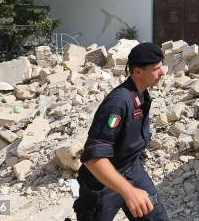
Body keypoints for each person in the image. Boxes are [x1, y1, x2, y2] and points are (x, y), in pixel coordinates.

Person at [72, 43, 169, 221]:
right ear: (138, 72)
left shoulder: (141, 94)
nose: (162, 72)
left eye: (161, 66)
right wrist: (128, 192)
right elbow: (93, 158)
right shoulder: (118, 102)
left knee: (155, 217)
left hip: (132, 169)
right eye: (156, 68)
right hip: (102, 183)